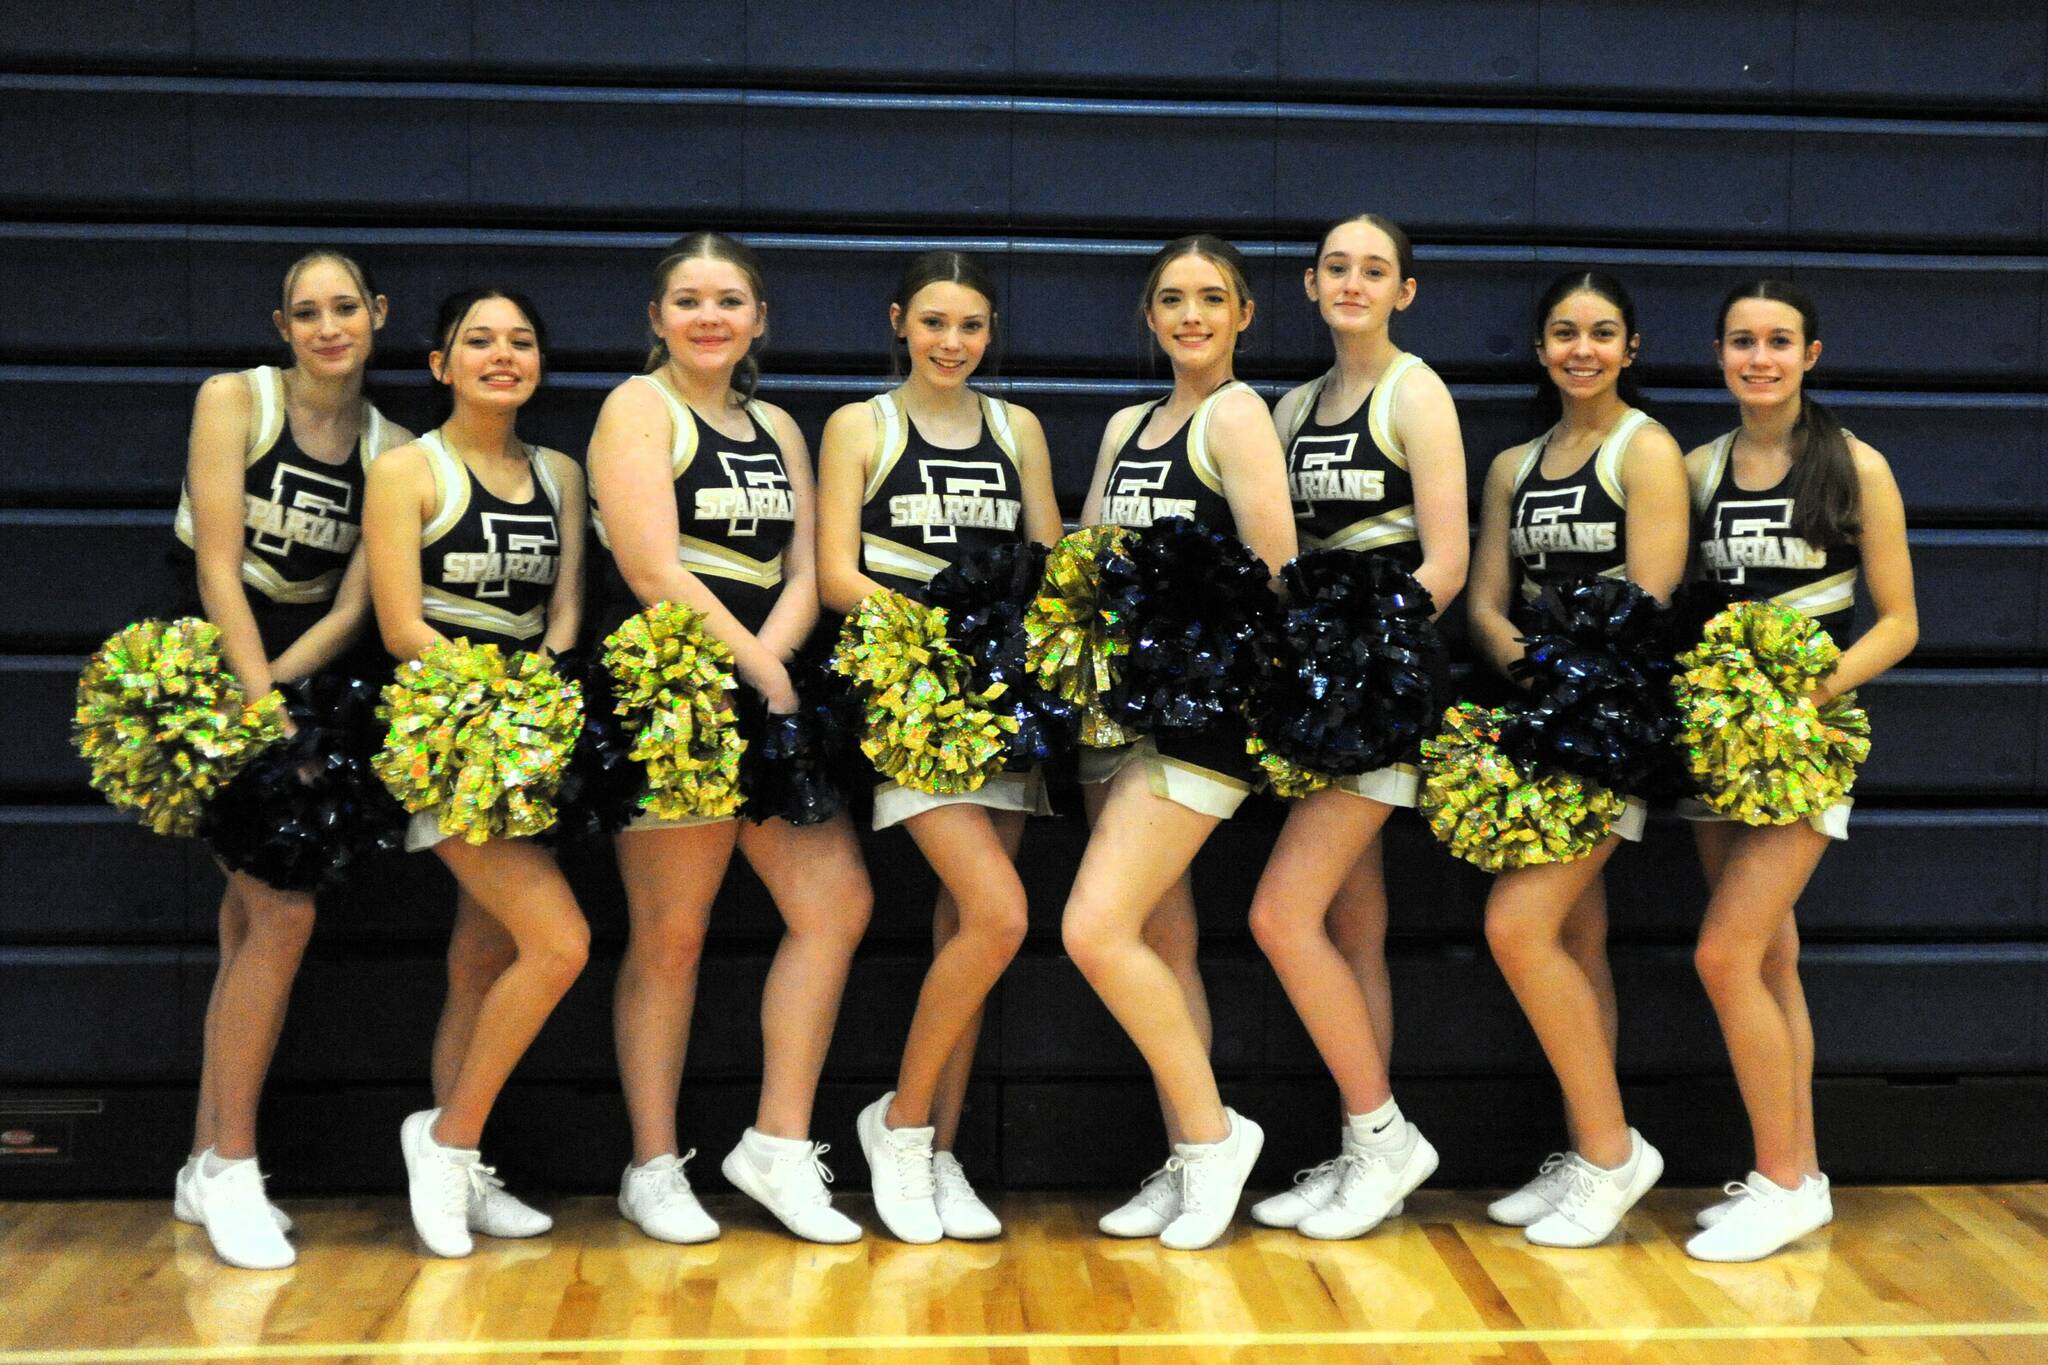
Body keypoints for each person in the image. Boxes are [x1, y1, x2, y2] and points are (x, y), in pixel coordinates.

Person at [586, 232, 872, 1246]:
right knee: (671, 934)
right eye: (688, 299)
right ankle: (652, 1166)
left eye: (730, 300)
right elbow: (650, 564)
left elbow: (803, 568)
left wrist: (776, 668)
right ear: (656, 318)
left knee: (834, 905)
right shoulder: (636, 407)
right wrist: (760, 672)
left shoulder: (776, 426)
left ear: (758, 320)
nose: (710, 316)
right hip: (677, 692)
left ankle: (777, 1145)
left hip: (764, 687)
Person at [815, 250, 1064, 1243]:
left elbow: (1047, 563)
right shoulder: (858, 427)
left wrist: (1012, 646)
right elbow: (836, 574)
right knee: (999, 915)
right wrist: (937, 640)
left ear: (988, 333)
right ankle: (902, 1125)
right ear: (897, 324)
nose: (949, 342)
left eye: (967, 325)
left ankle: (942, 1151)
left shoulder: (1019, 430)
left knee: (965, 926)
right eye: (931, 322)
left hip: (1000, 700)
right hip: (910, 694)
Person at [173, 249, 410, 1270]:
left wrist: (285, 704)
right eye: (307, 312)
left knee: (248, 923)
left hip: (298, 689)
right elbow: (218, 565)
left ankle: (201, 1161)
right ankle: (231, 1164)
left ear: (378, 316)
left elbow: (357, 602)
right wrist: (251, 701)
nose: (328, 328)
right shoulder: (236, 401)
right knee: (280, 914)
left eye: (345, 308)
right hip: (205, 678)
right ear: (283, 326)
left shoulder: (391, 445)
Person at [1064, 234, 1298, 1250]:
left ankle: (1212, 1140)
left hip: (1198, 719)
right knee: (1160, 940)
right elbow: (1084, 562)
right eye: (1171, 298)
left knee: (1093, 928)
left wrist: (1182, 658)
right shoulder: (1127, 424)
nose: (1190, 315)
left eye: (1211, 298)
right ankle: (1183, 1158)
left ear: (1244, 313)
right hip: (1112, 710)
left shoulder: (1237, 414)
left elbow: (1273, 575)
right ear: (1148, 316)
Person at [1680, 280, 1917, 1262]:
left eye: (1777, 342)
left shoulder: (1854, 466)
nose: (1759, 358)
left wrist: (1805, 697)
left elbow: (1899, 622)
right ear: (1720, 355)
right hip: (1717, 740)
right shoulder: (1695, 470)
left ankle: (1778, 1179)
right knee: (1768, 960)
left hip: (1800, 744)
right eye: (1742, 341)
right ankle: (1799, 1177)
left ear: (1809, 355)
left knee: (1722, 956)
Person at [1246, 214, 1468, 1239]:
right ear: (1308, 284)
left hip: (1379, 681)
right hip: (1313, 682)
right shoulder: (1290, 406)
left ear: (1403, 292)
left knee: (1281, 914)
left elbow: (1447, 559)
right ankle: (1358, 1157)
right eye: (1336, 267)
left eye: (1372, 270)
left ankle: (1383, 1140)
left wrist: (1364, 658)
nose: (1351, 282)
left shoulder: (1412, 390)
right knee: (1351, 926)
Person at [1465, 270, 1689, 1247]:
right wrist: (1532, 666)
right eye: (1563, 331)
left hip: (1610, 724)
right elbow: (1482, 600)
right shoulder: (1514, 463)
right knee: (1573, 940)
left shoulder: (1646, 450)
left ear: (1628, 349)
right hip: (1531, 719)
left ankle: (1609, 1153)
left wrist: (1574, 680)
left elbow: (1648, 596)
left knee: (1517, 927)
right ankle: (1580, 1150)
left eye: (1601, 333)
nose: (1581, 349)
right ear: (1540, 347)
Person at [363, 287, 589, 1258]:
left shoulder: (561, 474)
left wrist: (537, 701)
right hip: (446, 730)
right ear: (438, 363)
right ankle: (446, 1143)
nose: (503, 355)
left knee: (482, 956)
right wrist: (485, 699)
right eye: (479, 341)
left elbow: (568, 611)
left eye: (522, 341)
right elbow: (401, 624)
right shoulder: (407, 469)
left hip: (530, 735)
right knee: (559, 942)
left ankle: (465, 1151)